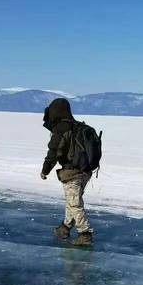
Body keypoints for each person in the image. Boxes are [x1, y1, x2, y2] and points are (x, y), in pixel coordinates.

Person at [40, 98, 93, 246]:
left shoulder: (61, 128)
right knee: (72, 200)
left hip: (72, 171)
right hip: (86, 170)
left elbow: (54, 151)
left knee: (74, 203)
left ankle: (85, 234)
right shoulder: (77, 125)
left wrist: (45, 170)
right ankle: (65, 227)